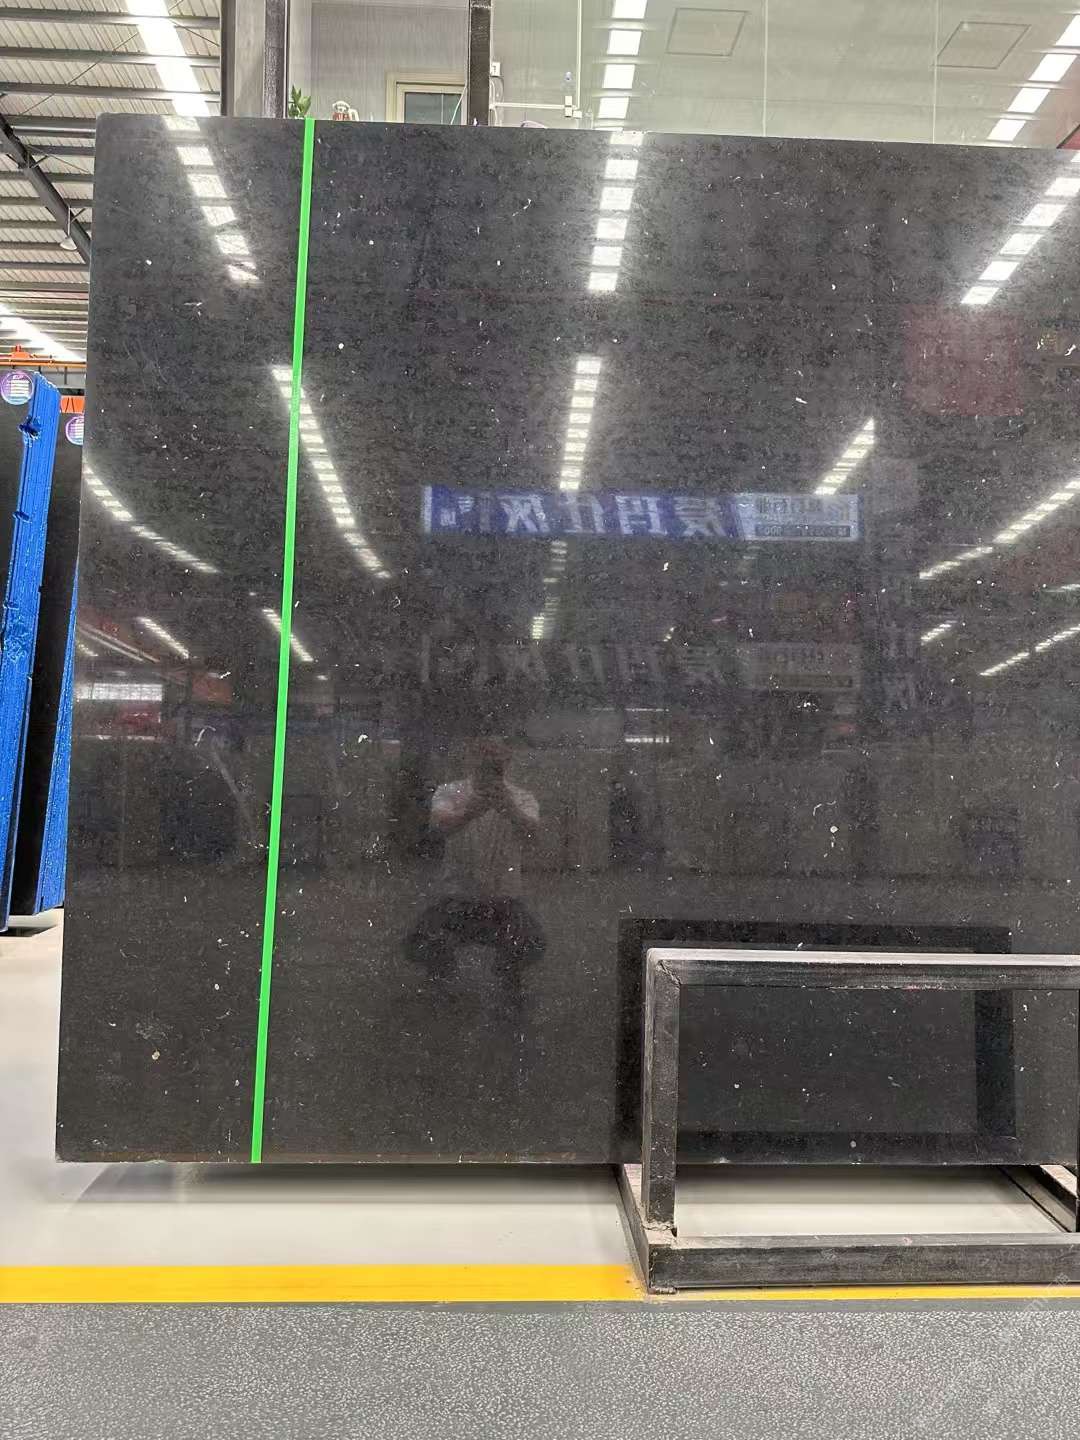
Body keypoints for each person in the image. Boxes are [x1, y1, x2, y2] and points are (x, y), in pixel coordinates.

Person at [407, 739, 545, 990]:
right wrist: (470, 811)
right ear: (471, 759)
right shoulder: (450, 792)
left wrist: (509, 809)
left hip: (503, 900)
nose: (489, 762)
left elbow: (534, 835)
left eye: (495, 757)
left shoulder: (521, 797)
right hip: (457, 898)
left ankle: (508, 976)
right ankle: (442, 979)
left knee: (530, 942)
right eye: (484, 756)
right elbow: (438, 827)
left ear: (507, 761)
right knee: (421, 941)